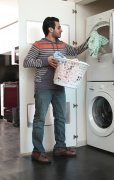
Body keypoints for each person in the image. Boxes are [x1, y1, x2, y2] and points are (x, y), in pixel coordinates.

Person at [23, 17, 89, 163]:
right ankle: (37, 151)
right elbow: (26, 62)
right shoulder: (38, 45)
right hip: (43, 87)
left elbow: (76, 50)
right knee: (39, 119)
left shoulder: (62, 45)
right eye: (59, 27)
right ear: (50, 29)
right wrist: (46, 61)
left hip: (59, 86)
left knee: (61, 117)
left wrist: (90, 40)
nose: (61, 30)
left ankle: (60, 147)